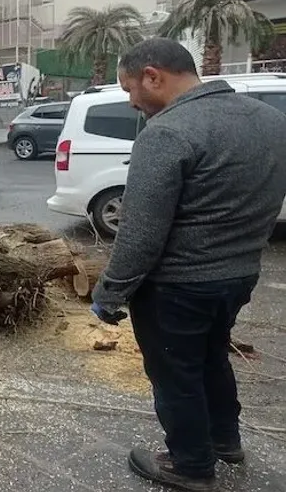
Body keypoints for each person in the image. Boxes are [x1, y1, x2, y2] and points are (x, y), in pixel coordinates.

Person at [91, 38, 286, 491]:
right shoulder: (271, 120)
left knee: (175, 372)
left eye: (129, 89)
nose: (131, 101)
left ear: (152, 76)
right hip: (240, 275)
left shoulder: (166, 133)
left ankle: (191, 465)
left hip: (177, 286)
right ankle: (224, 440)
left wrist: (110, 293)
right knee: (211, 357)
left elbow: (139, 236)